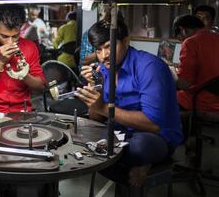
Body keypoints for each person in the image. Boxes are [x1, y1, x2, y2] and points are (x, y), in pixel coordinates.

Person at [76, 19, 183, 187]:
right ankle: (129, 165)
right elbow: (96, 117)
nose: (104, 55)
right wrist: (96, 92)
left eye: (109, 46)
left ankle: (143, 163)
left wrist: (104, 108)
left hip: (154, 137)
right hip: (120, 133)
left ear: (126, 41)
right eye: (98, 50)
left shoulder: (149, 67)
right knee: (79, 135)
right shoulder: (103, 69)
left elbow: (153, 124)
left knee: (138, 147)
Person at [0, 4, 45, 113]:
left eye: (15, 36)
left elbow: (41, 87)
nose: (10, 42)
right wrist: (0, 62)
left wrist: (25, 75)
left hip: (22, 112)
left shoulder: (30, 47)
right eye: (4, 36)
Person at [172, 14, 219, 112]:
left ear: (182, 30)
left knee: (164, 97)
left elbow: (184, 84)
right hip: (216, 100)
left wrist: (171, 71)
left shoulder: (190, 42)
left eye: (181, 39)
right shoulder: (216, 37)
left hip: (201, 101)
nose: (182, 42)